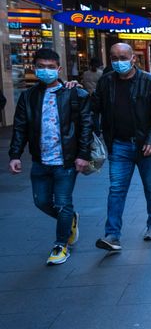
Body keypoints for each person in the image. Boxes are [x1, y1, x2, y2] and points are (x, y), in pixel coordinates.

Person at [8, 48, 92, 265]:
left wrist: (83, 155)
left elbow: (86, 127)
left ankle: (61, 245)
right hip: (40, 160)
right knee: (42, 202)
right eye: (41, 67)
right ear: (34, 68)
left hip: (65, 161)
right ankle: (70, 220)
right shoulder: (28, 97)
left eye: (51, 67)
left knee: (63, 203)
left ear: (59, 69)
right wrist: (15, 154)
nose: (46, 71)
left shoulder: (75, 93)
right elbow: (20, 127)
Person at [92, 43, 151, 251]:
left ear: (133, 58)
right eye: (114, 57)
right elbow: (93, 107)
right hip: (118, 145)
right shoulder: (106, 82)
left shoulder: (150, 82)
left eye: (123, 57)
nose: (118, 62)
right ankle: (112, 235)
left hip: (146, 146)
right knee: (116, 189)